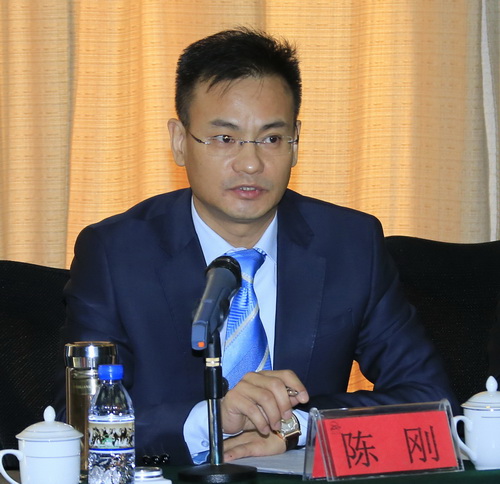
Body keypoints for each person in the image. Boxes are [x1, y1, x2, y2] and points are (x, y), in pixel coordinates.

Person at [59, 27, 457, 465]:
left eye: (271, 138)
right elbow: (79, 424)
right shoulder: (115, 253)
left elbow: (432, 402)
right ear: (179, 141)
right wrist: (211, 420)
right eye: (224, 138)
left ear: (296, 142)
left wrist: (296, 427)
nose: (250, 163)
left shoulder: (350, 244)